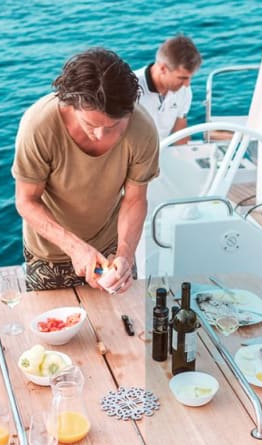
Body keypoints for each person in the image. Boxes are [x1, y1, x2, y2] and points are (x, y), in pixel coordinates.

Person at [13, 48, 160, 293]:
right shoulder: (39, 126)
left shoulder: (142, 130)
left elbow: (135, 200)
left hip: (112, 249)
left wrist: (125, 254)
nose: (101, 135)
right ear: (70, 105)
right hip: (49, 253)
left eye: (113, 126)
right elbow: (26, 201)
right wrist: (75, 248)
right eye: (90, 124)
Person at [134, 35, 202, 143]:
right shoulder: (128, 89)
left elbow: (180, 135)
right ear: (163, 68)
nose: (187, 84)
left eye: (190, 78)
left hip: (163, 149)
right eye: (182, 78)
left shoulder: (184, 90)